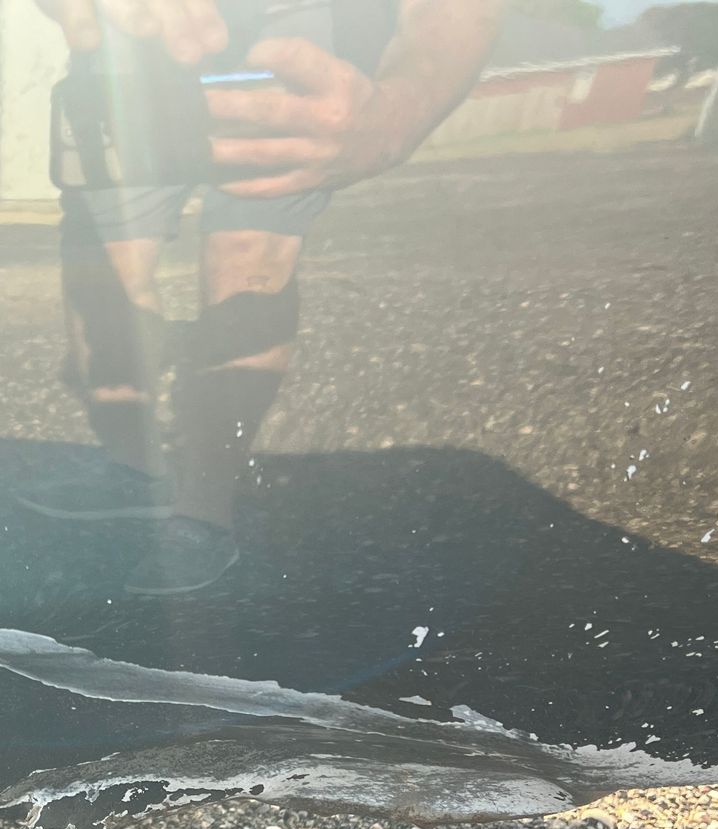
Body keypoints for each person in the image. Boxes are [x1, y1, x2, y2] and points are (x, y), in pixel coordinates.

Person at [26, 0, 502, 594]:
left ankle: (202, 513)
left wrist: (396, 117)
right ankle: (133, 468)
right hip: (119, 63)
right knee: (103, 265)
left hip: (282, 49)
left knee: (247, 254)